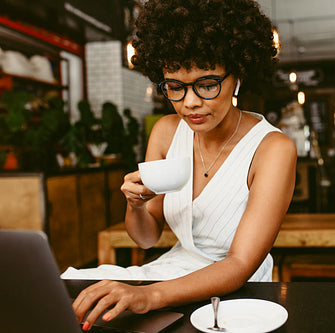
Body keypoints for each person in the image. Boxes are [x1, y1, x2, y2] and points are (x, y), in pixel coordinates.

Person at [63, 0, 297, 330]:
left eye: (207, 84)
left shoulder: (273, 148)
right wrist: (135, 206)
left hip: (239, 296)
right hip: (169, 275)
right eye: (175, 86)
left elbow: (241, 263)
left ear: (237, 76)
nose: (189, 102)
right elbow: (146, 238)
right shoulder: (166, 131)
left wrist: (149, 297)